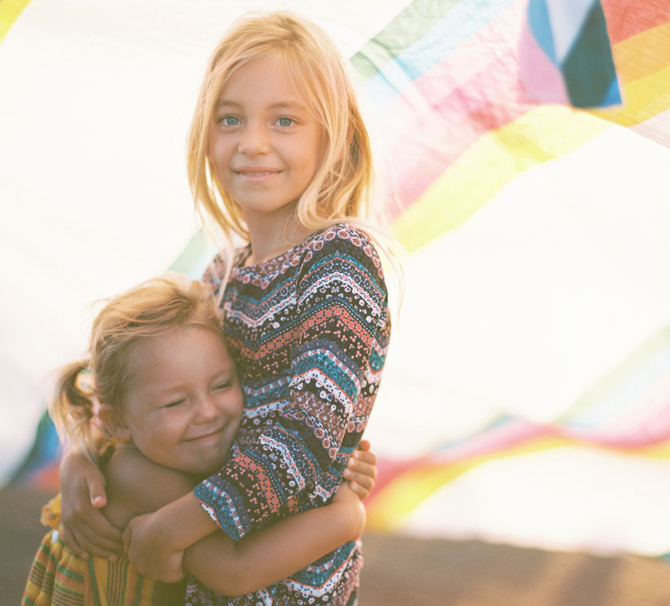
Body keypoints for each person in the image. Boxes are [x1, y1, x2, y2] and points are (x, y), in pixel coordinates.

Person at [59, 10, 395, 605]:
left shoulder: (340, 263)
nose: (252, 143)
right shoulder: (222, 275)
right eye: (230, 119)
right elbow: (149, 385)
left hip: (295, 586)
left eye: (284, 120)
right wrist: (85, 455)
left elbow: (307, 437)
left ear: (334, 135)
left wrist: (177, 521)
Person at [23, 274, 378, 605]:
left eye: (222, 384)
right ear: (117, 423)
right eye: (176, 402)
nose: (208, 412)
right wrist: (347, 516)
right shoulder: (143, 476)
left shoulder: (142, 454)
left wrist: (334, 463)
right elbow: (236, 572)